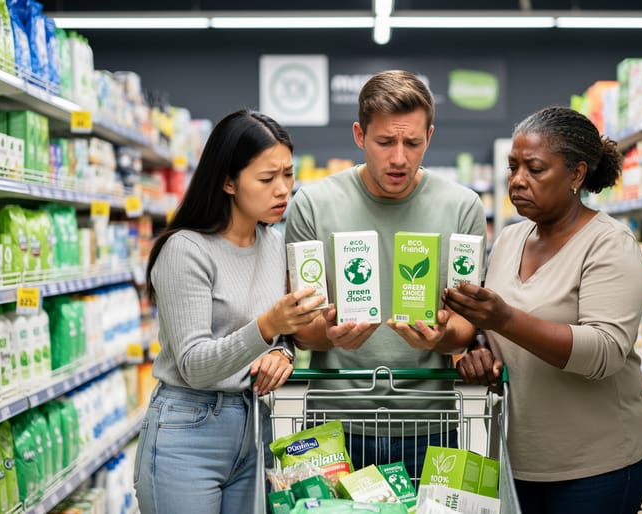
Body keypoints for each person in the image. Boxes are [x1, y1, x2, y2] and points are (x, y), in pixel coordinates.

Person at [444, 106, 642, 513]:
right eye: (513, 167)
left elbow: (605, 352)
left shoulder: (609, 245)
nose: (518, 181)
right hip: (517, 458)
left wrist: (504, 319)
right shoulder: (508, 239)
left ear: (576, 175)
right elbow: (495, 329)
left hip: (595, 467)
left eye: (535, 169)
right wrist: (479, 348)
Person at [284, 69, 487, 477]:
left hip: (429, 424)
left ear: (429, 137)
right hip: (333, 425)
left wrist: (443, 335)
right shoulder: (312, 204)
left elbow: (466, 327)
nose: (399, 158)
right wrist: (329, 333)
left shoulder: (463, 206)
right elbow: (302, 330)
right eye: (384, 142)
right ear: (360, 136)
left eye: (413, 143)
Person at [133, 109, 324, 514]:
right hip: (188, 430)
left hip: (256, 423)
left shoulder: (275, 245)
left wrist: (282, 351)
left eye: (288, 175)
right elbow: (194, 365)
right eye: (267, 178)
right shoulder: (186, 250)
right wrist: (268, 327)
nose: (283, 190)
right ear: (228, 181)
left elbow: (279, 336)